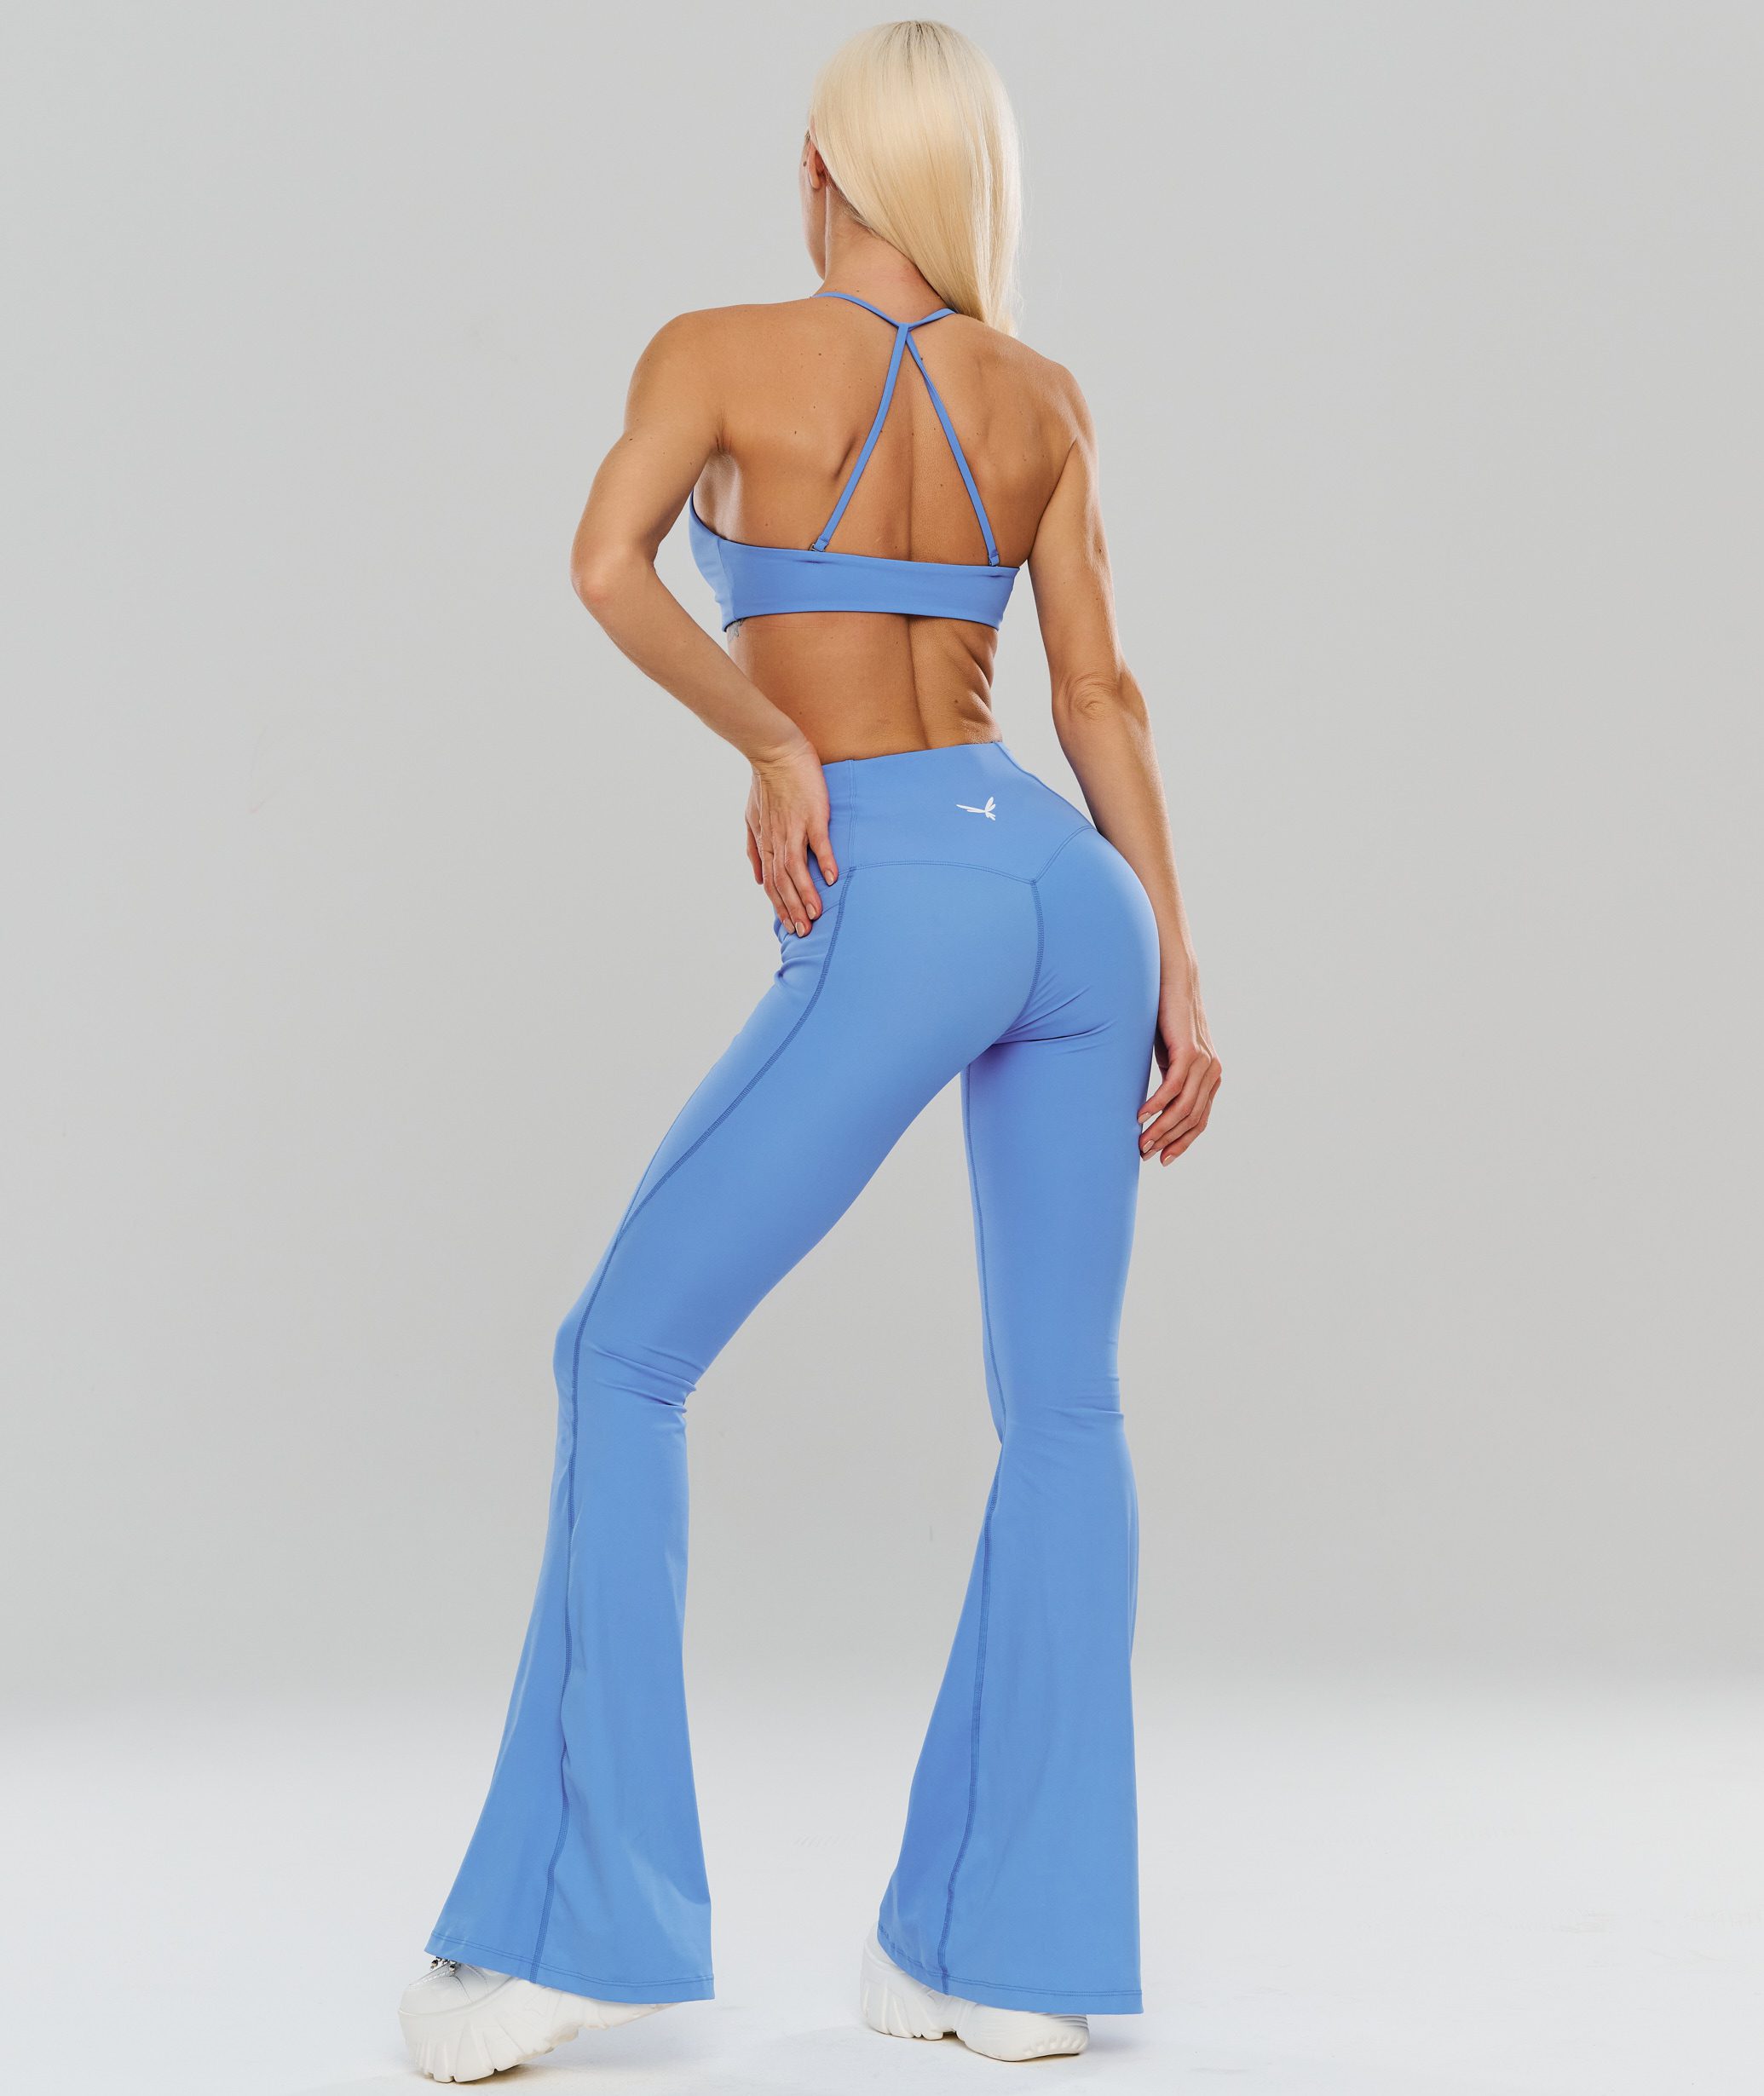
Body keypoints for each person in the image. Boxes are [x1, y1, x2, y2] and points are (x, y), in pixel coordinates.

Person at [398, 18, 1219, 2082]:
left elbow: (604, 567)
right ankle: (1003, 1961)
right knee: (1066, 1413)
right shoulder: (1040, 394)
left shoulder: (715, 353)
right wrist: (1182, 964)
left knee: (621, 1354)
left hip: (904, 890)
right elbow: (1099, 699)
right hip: (1070, 892)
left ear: (820, 173)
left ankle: (571, 1935)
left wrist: (772, 739)